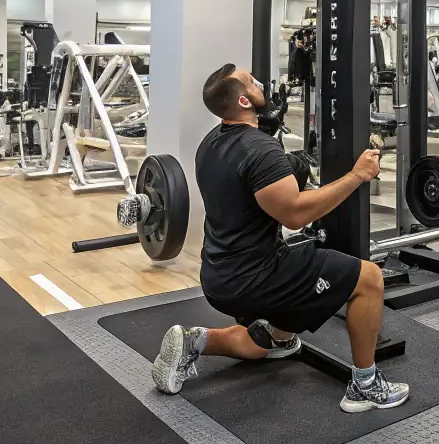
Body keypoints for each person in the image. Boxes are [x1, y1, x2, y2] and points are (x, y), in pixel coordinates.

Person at [151, 64, 410, 414]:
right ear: (244, 100)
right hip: (257, 277)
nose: (259, 83)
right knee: (369, 278)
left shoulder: (210, 144)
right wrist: (356, 175)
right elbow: (297, 215)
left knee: (272, 341)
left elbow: (248, 190)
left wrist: (285, 162)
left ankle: (195, 341)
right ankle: (365, 385)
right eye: (251, 82)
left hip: (218, 277)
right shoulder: (260, 151)